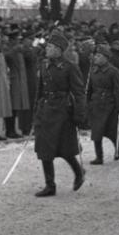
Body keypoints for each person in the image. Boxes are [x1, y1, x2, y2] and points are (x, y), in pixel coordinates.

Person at [32, 31, 86, 197]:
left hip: (63, 112)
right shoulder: (44, 65)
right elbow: (39, 91)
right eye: (47, 46)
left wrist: (79, 115)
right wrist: (36, 111)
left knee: (64, 149)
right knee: (44, 149)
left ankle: (79, 172)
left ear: (59, 50)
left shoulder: (70, 68)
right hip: (45, 110)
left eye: (50, 46)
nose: (47, 49)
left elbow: (79, 93)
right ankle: (50, 185)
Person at [86, 43, 119, 165]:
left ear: (106, 57)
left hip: (109, 105)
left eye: (98, 56)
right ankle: (99, 157)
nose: (95, 58)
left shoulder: (114, 72)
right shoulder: (92, 71)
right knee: (96, 131)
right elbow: (89, 89)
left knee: (110, 131)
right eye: (95, 55)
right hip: (95, 104)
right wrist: (86, 102)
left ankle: (118, 146)